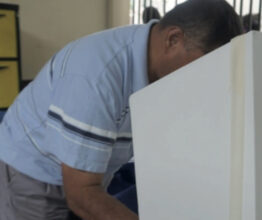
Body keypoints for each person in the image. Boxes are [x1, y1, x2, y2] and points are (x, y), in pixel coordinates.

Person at [0, 0, 243, 219]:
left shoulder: (161, 65)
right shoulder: (97, 76)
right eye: (203, 67)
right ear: (173, 39)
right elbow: (81, 194)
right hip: (35, 174)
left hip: (88, 172)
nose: (202, 80)